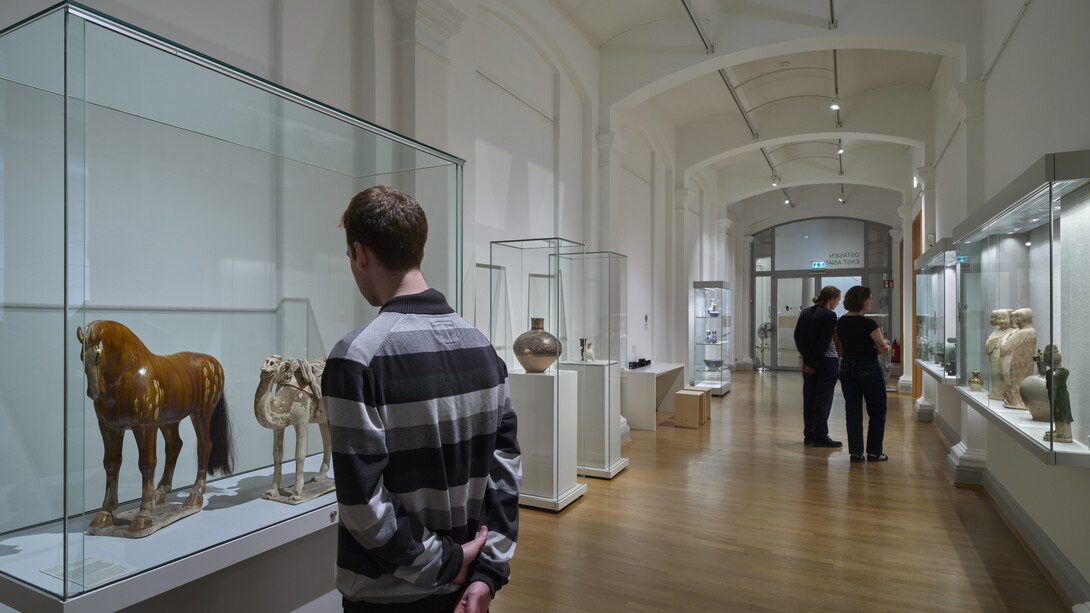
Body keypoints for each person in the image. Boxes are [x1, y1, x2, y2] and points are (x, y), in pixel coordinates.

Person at [322, 186, 521, 613]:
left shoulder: (355, 358)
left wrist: (447, 564)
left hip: (389, 595)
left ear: (360, 254)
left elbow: (363, 507)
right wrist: (488, 572)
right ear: (421, 251)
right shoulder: (483, 349)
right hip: (466, 587)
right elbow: (505, 475)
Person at [835, 286, 890, 463]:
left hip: (847, 367)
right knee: (877, 409)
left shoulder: (841, 321)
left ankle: (856, 452)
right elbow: (882, 348)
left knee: (852, 411)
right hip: (868, 367)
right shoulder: (869, 324)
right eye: (869, 298)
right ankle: (874, 452)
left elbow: (841, 347)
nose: (871, 302)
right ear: (861, 301)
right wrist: (882, 347)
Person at [792, 285, 842, 447]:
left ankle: (809, 434)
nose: (838, 304)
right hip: (826, 362)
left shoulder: (805, 312)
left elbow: (797, 336)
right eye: (838, 300)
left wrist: (807, 359)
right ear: (831, 299)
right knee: (823, 398)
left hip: (809, 361)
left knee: (810, 397)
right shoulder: (830, 315)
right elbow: (824, 341)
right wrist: (814, 361)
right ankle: (820, 435)